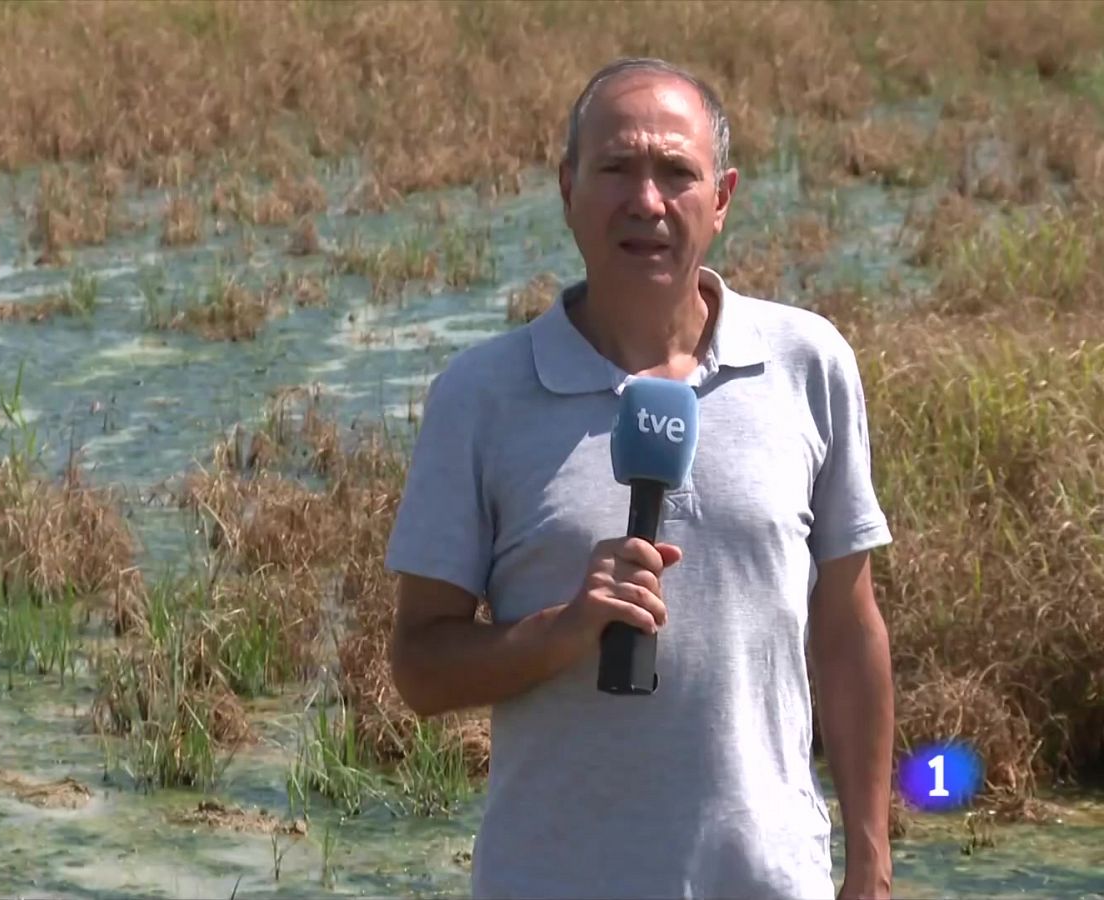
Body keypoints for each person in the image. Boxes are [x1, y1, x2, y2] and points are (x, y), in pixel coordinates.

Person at [384, 58, 896, 900]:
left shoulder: (810, 364)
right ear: (567, 188)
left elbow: (846, 628)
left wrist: (870, 867)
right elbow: (420, 666)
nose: (647, 202)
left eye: (676, 173)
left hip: (769, 881)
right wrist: (561, 631)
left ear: (722, 197)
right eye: (616, 168)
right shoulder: (479, 396)